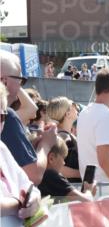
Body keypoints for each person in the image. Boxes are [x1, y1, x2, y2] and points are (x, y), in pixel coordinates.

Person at [1, 51, 54, 184]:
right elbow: (32, 175)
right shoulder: (6, 116)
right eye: (21, 80)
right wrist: (46, 145)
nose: (21, 86)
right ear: (4, 81)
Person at [76, 68, 109, 184]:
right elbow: (104, 160)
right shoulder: (106, 116)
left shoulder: (84, 113)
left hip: (93, 186)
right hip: (107, 187)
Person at [38, 136, 92, 202]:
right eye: (63, 158)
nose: (64, 163)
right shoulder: (51, 175)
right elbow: (86, 201)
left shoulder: (34, 174)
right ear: (51, 158)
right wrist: (88, 190)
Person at [45, 97, 81, 181]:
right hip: (68, 186)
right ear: (67, 113)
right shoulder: (62, 137)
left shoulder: (61, 134)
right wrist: (80, 173)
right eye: (73, 105)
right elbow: (54, 166)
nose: (76, 107)